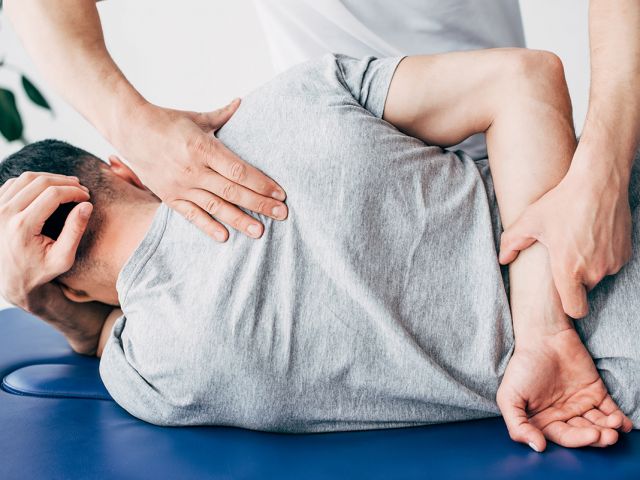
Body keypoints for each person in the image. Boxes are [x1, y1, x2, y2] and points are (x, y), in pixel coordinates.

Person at [0, 49, 637, 452]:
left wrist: (36, 297)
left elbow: (93, 334)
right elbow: (527, 77)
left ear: (63, 285)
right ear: (127, 170)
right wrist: (542, 327)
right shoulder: (289, 100)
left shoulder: (157, 373)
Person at [5, 1, 640, 321]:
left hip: (514, 150)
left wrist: (603, 172)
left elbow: (525, 85)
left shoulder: (168, 356)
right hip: (338, 137)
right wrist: (133, 122)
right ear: (123, 171)